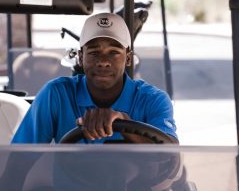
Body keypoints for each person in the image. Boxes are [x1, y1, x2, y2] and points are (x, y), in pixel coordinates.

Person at [12, 12, 177, 144]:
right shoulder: (55, 95)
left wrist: (127, 126)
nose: (104, 62)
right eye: (93, 53)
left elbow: (171, 154)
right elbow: (20, 157)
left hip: (137, 187)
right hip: (70, 187)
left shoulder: (153, 100)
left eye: (114, 52)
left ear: (128, 58)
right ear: (80, 57)